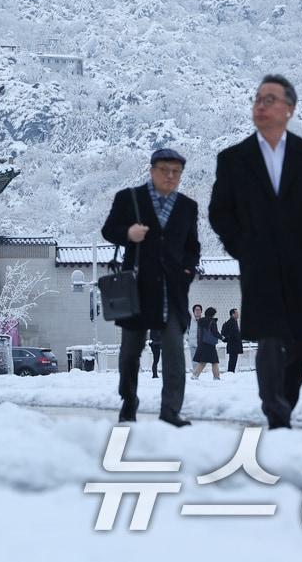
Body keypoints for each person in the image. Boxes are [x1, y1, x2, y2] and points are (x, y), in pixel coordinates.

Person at [209, 74, 302, 430]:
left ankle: (284, 403)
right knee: (269, 338)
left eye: (270, 99)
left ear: (289, 109)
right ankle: (276, 412)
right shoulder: (234, 159)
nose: (261, 105)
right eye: (257, 99)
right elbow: (219, 211)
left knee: (300, 346)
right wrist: (243, 247)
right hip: (260, 265)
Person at [101, 147, 201, 427]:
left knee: (173, 350)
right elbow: (108, 231)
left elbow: (193, 247)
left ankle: (171, 409)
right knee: (130, 353)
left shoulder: (187, 206)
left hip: (173, 291)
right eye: (165, 171)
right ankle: (128, 401)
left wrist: (188, 270)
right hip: (137, 288)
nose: (170, 176)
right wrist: (128, 234)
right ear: (152, 171)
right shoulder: (130, 198)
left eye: (176, 172)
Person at [191, 307, 222, 380]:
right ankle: (216, 377)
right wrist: (222, 338)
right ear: (212, 314)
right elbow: (215, 333)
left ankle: (195, 375)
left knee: (202, 361)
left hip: (202, 343)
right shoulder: (212, 322)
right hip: (210, 344)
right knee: (214, 361)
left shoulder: (200, 321)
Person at [222, 308, 243, 373]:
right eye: (236, 313)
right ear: (232, 314)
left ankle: (231, 372)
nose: (238, 315)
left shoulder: (234, 322)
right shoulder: (231, 322)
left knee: (233, 360)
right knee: (232, 360)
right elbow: (234, 334)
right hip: (233, 345)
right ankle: (230, 372)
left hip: (233, 345)